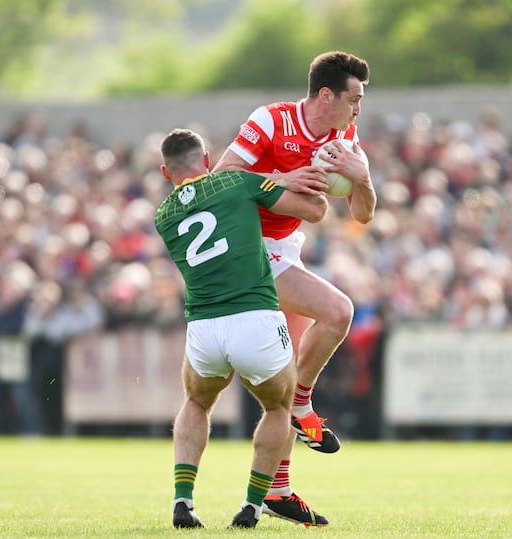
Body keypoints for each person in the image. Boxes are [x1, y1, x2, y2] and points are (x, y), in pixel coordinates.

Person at [213, 50, 375, 522]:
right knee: (339, 312)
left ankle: (277, 490)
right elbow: (218, 181)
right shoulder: (271, 120)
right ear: (326, 95)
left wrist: (362, 179)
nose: (358, 109)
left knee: (283, 384)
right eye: (354, 98)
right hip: (245, 248)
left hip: (284, 252)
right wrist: (279, 178)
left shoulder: (344, 135)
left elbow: (363, 214)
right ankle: (304, 406)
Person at [154, 128, 328, 529]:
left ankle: (183, 500)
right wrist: (293, 178)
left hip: (203, 326)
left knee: (197, 404)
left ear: (166, 172)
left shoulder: (163, 215)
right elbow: (310, 209)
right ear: (208, 158)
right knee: (279, 408)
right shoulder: (237, 180)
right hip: (255, 318)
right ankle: (251, 506)